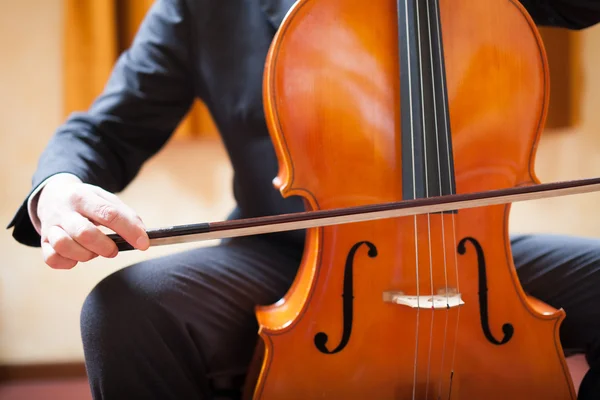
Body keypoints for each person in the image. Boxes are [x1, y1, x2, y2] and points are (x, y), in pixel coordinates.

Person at [7, 0, 600, 398]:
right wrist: (57, 187)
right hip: (281, 248)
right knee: (125, 312)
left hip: (467, 247)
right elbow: (107, 128)